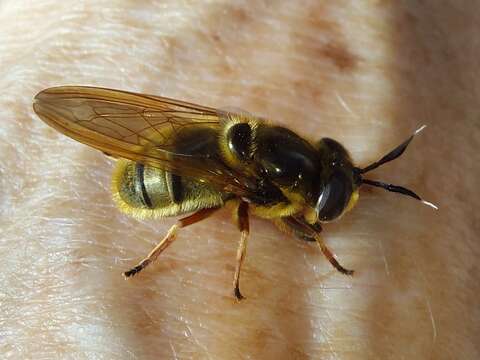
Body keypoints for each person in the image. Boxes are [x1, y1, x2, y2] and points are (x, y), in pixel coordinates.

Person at [1, 2, 477, 359]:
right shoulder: (271, 192)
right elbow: (261, 222)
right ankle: (152, 255)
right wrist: (298, 264)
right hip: (160, 176)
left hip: (182, 139)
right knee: (230, 211)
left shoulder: (279, 144)